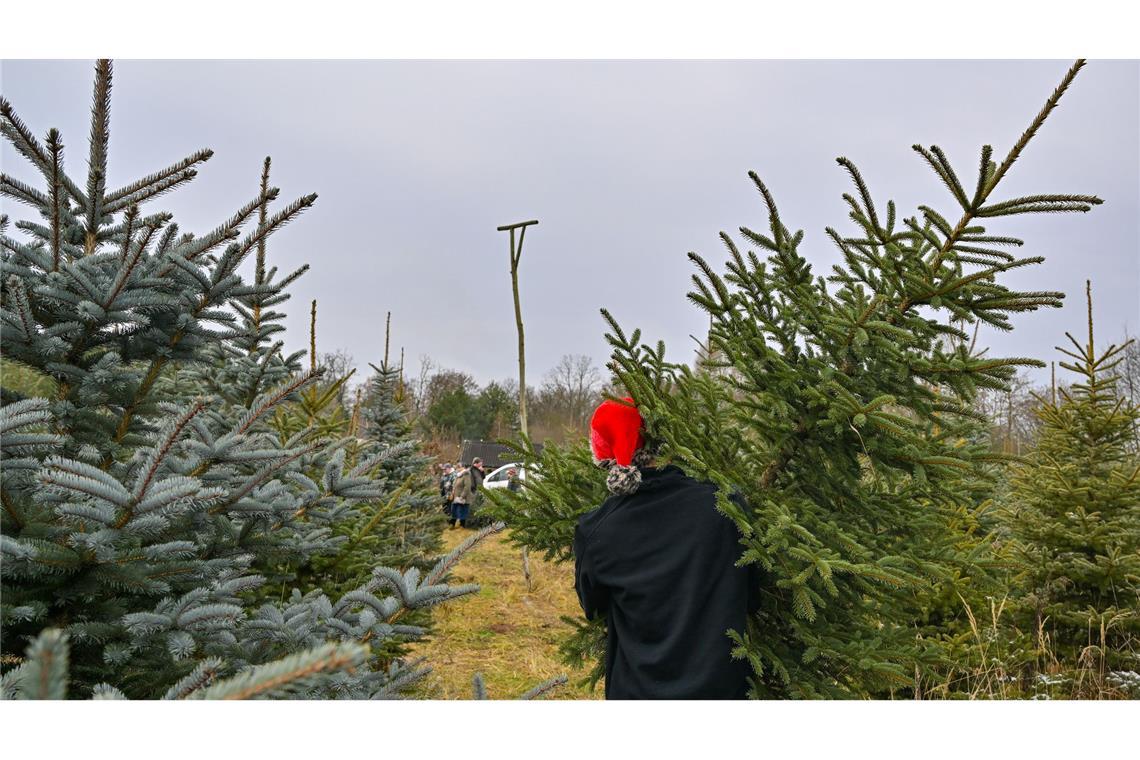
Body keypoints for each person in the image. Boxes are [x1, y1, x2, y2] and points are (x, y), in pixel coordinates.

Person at [573, 397, 759, 700]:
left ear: (608, 459)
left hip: (636, 691)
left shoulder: (597, 530)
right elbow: (752, 597)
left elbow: (594, 608)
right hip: (723, 690)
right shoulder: (726, 505)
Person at [449, 462, 473, 529]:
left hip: (463, 498)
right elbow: (454, 485)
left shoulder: (466, 475)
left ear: (462, 467)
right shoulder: (458, 475)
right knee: (454, 510)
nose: (457, 469)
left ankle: (462, 526)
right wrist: (452, 493)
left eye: (458, 467)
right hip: (455, 497)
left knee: (462, 511)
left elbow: (467, 487)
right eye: (457, 467)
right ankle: (452, 524)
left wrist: (462, 496)